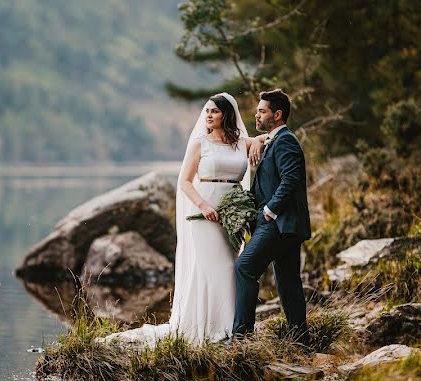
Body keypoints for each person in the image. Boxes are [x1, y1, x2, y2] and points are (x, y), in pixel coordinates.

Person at [100, 93, 263, 346]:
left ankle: (228, 325)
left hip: (232, 212)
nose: (208, 115)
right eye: (207, 111)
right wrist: (204, 206)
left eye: (214, 111)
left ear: (226, 115)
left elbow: (266, 137)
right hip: (204, 212)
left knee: (230, 267)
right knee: (214, 267)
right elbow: (184, 182)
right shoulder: (200, 143)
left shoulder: (240, 142)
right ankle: (216, 328)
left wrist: (260, 141)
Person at [232, 89, 311, 342]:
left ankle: (242, 339)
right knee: (288, 284)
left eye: (262, 111)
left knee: (244, 268)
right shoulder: (273, 140)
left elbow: (291, 179)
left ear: (277, 115)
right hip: (285, 225)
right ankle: (301, 341)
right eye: (257, 110)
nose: (256, 114)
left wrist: (268, 211)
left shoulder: (286, 140)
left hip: (278, 223)